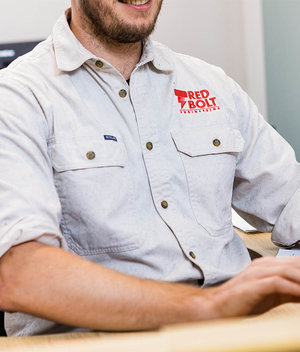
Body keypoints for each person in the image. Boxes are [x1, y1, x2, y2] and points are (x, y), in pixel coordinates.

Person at [0, 0, 300, 337]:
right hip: (104, 341)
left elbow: (291, 199)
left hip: (241, 332)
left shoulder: (211, 84)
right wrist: (209, 305)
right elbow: (21, 273)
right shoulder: (17, 98)